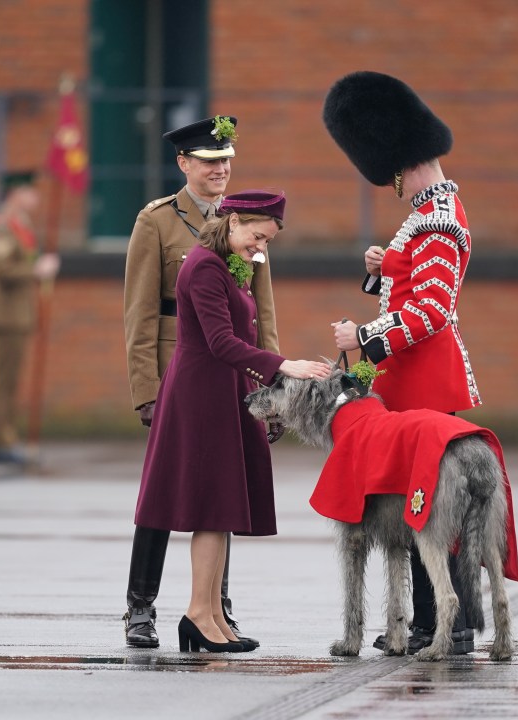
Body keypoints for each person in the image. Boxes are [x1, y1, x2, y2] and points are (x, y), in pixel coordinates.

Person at [323, 71, 518, 654]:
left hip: (423, 377)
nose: (393, 189)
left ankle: (451, 625)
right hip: (410, 376)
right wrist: (384, 269)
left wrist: (362, 336)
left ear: (404, 168)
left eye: (391, 180)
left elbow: (432, 311)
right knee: (418, 506)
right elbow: (413, 291)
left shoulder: (435, 218)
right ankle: (430, 622)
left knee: (439, 508)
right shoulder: (428, 214)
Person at [130, 190, 331, 652]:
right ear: (234, 221)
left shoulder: (227, 264)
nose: (261, 248)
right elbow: (220, 341)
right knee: (210, 507)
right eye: (258, 237)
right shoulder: (203, 265)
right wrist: (284, 367)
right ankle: (199, 614)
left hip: (224, 389)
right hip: (202, 393)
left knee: (220, 510)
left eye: (268, 242)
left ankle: (213, 615)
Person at [122, 116, 282, 648]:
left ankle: (216, 608)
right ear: (184, 164)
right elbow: (141, 310)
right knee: (165, 494)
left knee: (222, 490)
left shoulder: (249, 222)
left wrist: (272, 389)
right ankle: (140, 606)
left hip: (234, 375)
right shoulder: (158, 221)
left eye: (226, 160)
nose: (221, 169)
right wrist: (146, 387)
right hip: (182, 370)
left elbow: (262, 313)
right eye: (210, 161)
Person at [0, 169, 60, 467]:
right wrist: (36, 270)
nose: (35, 197)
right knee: (3, 382)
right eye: (30, 191)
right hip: (6, 314)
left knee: (10, 382)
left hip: (18, 314)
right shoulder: (3, 226)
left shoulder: (19, 224)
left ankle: (6, 438)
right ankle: (0, 441)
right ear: (15, 194)